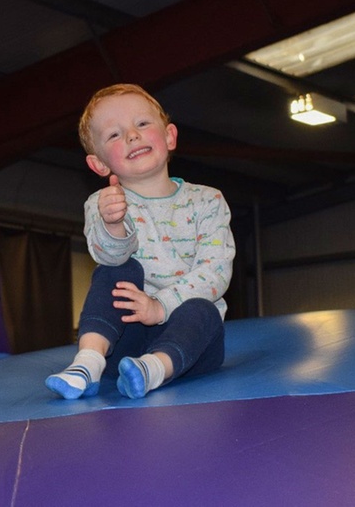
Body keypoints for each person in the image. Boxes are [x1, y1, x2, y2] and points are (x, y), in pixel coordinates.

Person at [45, 83, 236, 399]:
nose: (132, 135)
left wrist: (160, 306)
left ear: (170, 136)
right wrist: (114, 224)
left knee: (203, 309)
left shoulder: (207, 200)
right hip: (123, 341)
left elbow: (214, 273)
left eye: (142, 124)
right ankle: (88, 362)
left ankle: (154, 368)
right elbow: (106, 254)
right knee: (116, 269)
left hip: (189, 345)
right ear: (99, 164)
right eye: (114, 135)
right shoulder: (104, 203)